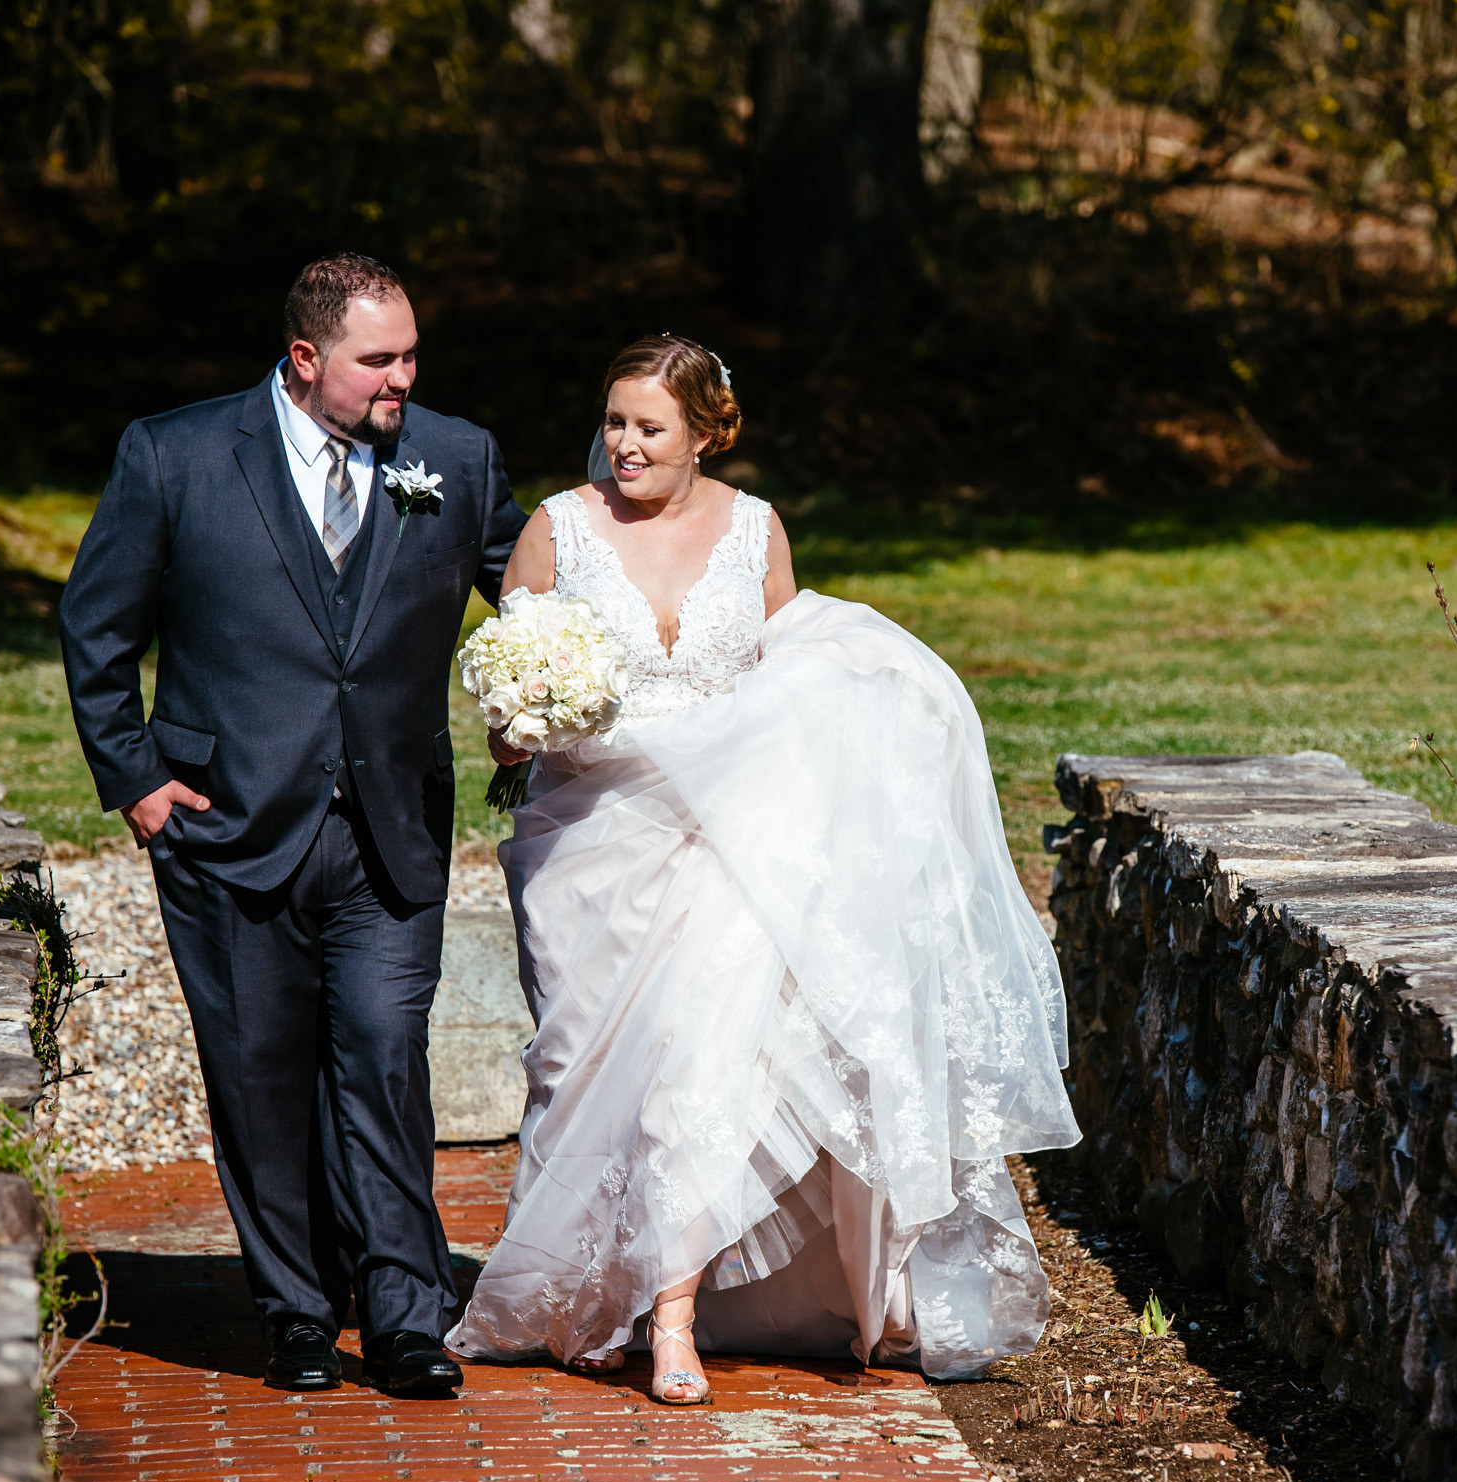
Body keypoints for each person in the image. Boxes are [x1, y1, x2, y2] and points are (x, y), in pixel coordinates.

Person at [449, 336, 1079, 1404]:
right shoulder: (557, 531)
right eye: (614, 423)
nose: (626, 446)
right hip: (591, 844)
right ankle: (582, 1289)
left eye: (650, 428)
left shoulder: (754, 532)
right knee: (579, 1074)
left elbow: (802, 678)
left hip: (733, 840)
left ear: (705, 432)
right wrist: (520, 718)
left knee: (701, 1065)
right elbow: (514, 716)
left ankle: (676, 1317)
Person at [60, 253, 525, 1399]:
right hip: (224, 829)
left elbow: (540, 593)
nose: (402, 379)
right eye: (380, 359)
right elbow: (97, 625)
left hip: (390, 829)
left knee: (382, 1061)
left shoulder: (453, 459)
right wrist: (138, 783)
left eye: (413, 354)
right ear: (306, 358)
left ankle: (408, 1318)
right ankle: (300, 1315)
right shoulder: (174, 455)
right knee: (260, 1080)